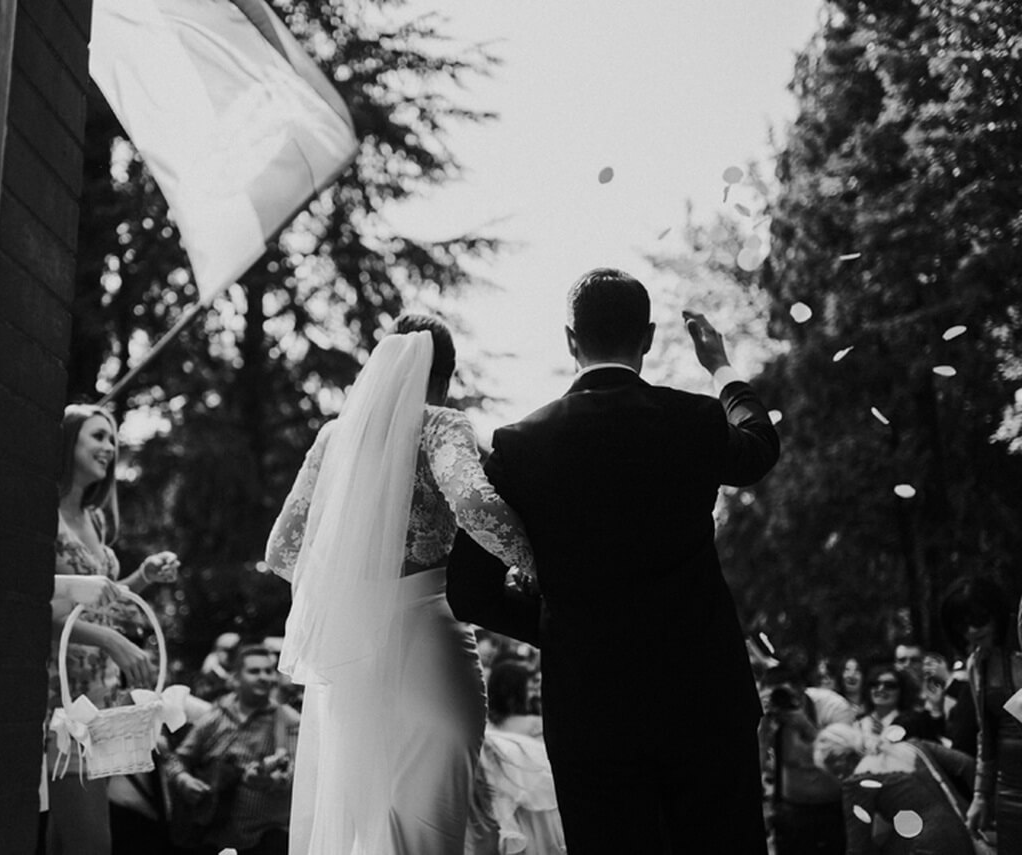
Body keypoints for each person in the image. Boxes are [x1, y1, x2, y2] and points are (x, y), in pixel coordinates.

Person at [446, 268, 780, 853]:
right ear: (647, 338)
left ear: (571, 340)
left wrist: (562, 627)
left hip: (592, 712)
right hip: (704, 699)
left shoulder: (522, 444)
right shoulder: (695, 419)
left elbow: (470, 591)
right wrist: (721, 368)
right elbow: (758, 446)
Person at [265, 314, 537, 855]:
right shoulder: (439, 424)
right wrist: (529, 560)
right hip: (427, 643)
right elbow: (474, 501)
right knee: (431, 824)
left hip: (350, 661)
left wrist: (346, 590)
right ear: (447, 374)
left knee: (364, 822)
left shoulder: (335, 438)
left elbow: (282, 550)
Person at [47, 403, 182, 855]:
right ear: (68, 441)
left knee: (64, 838)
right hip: (60, 700)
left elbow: (99, 603)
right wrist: (110, 640)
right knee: (92, 845)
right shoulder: (44, 512)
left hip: (98, 697)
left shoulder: (96, 519)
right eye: (97, 436)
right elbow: (32, 605)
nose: (109, 448)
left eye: (113, 440)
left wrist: (141, 577)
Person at [165, 645, 300, 855]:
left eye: (268, 671)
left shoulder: (286, 719)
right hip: (213, 837)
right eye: (254, 671)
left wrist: (270, 781)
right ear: (236, 678)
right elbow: (177, 759)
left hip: (267, 842)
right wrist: (184, 780)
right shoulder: (216, 717)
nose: (264, 677)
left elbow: (293, 776)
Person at [941, 575, 1022, 852]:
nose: (972, 630)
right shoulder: (979, 665)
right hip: (1008, 788)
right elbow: (985, 735)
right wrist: (980, 795)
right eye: (962, 625)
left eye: (979, 619)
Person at [813, 723, 979, 855]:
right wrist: (981, 803)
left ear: (840, 758)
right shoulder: (915, 746)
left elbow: (858, 847)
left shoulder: (857, 782)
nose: (839, 778)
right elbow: (967, 764)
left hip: (924, 846)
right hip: (964, 831)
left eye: (835, 770)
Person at [473, 659, 566, 855]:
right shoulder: (535, 726)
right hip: (532, 806)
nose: (533, 692)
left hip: (502, 807)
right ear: (518, 692)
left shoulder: (487, 731)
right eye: (529, 688)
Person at [758, 664, 854, 855]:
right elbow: (757, 766)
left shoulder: (833, 707)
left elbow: (842, 757)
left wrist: (807, 727)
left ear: (802, 689)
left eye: (786, 695)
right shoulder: (767, 715)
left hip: (833, 809)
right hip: (790, 810)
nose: (782, 702)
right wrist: (763, 734)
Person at [855, 665, 943, 743]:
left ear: (902, 691)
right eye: (875, 684)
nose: (880, 689)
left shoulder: (913, 723)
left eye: (889, 685)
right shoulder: (859, 722)